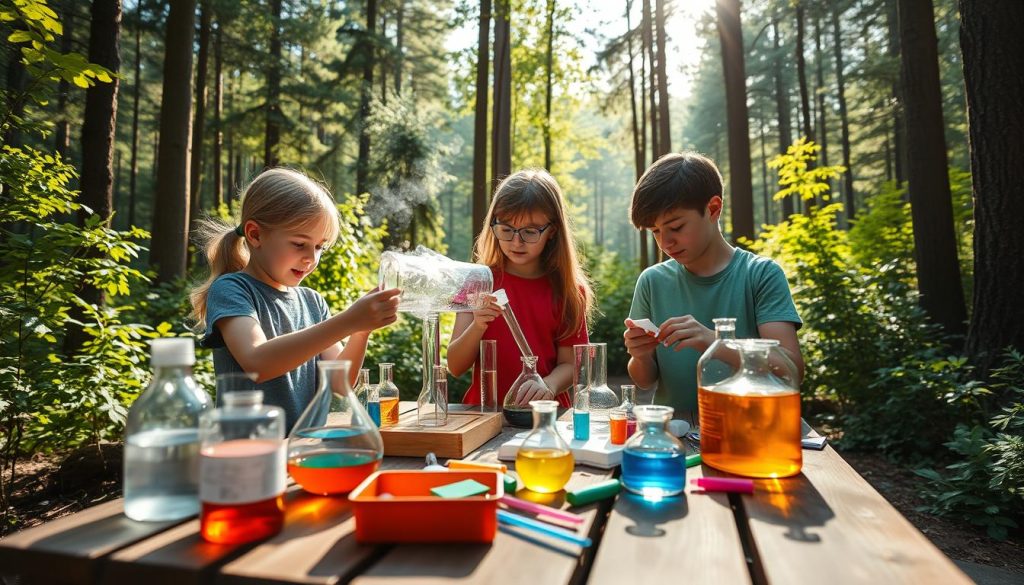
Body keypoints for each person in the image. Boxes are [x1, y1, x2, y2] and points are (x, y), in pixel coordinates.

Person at [189, 168, 400, 430]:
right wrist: (347, 321)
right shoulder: (232, 289)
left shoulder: (312, 301)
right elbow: (258, 362)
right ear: (255, 235)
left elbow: (340, 384)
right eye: (299, 244)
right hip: (247, 456)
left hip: (301, 450)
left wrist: (360, 330)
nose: (311, 258)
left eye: (320, 247)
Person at [623, 152, 804, 420]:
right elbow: (645, 380)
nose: (665, 243)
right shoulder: (652, 281)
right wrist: (641, 356)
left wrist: (716, 342)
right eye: (656, 232)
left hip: (751, 428)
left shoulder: (760, 274)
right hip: (677, 432)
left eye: (676, 226)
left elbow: (792, 371)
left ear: (713, 209)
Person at [447, 169, 594, 408]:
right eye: (506, 229)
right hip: (485, 415)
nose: (517, 242)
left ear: (553, 230)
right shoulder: (476, 281)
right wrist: (478, 325)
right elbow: (455, 365)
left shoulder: (568, 291)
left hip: (545, 416)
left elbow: (571, 363)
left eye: (530, 232)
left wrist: (548, 385)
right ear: (493, 224)